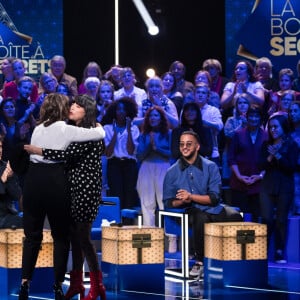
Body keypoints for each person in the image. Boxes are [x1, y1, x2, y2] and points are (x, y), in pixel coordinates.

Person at [18, 93, 105, 300]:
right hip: (64, 186)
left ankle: (95, 284)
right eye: (70, 105)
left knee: (76, 237)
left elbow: (65, 154)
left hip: (73, 189)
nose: (72, 108)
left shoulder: (43, 129)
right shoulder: (72, 130)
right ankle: (67, 285)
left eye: (76, 105)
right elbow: (71, 150)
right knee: (68, 237)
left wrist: (39, 150)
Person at [163, 131, 242, 279]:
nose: (184, 147)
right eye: (181, 144)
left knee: (235, 216)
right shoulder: (171, 172)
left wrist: (191, 196)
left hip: (212, 207)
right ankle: (199, 261)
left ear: (197, 146)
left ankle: (232, 261)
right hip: (186, 211)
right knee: (200, 217)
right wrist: (183, 201)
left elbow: (214, 198)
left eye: (188, 144)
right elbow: (168, 202)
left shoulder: (210, 167)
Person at [260, 114, 299, 263]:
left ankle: (279, 251)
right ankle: (262, 251)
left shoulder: (292, 145)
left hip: (285, 186)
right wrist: (270, 157)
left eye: (276, 127)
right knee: (267, 219)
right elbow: (260, 165)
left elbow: (291, 167)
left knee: (281, 220)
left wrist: (278, 156)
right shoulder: (266, 145)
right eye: (271, 127)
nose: (273, 130)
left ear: (284, 127)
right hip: (268, 186)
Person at [228, 105, 268, 221]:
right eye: (251, 115)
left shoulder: (266, 136)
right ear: (246, 117)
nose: (253, 119)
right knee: (239, 217)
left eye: (256, 116)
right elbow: (231, 158)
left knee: (257, 218)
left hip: (259, 184)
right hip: (239, 182)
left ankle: (256, 239)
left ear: (260, 118)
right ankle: (241, 240)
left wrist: (260, 176)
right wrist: (239, 176)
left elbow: (269, 161)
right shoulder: (238, 134)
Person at [102, 97, 140, 217]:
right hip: (114, 164)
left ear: (128, 111)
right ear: (114, 111)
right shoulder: (107, 128)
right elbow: (107, 153)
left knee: (129, 195)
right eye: (118, 109)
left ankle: (127, 227)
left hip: (129, 165)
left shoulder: (134, 128)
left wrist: (128, 130)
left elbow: (130, 150)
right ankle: (115, 225)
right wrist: (114, 133)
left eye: (124, 109)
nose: (121, 112)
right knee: (115, 194)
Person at [137, 106, 172, 226]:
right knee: (147, 204)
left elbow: (172, 154)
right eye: (151, 116)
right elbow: (140, 155)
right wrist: (149, 146)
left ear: (161, 118)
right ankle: (149, 239)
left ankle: (171, 240)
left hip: (164, 167)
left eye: (156, 115)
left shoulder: (169, 134)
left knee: (165, 203)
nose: (153, 118)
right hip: (146, 168)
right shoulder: (144, 135)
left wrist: (157, 148)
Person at [220, 60, 265, 124]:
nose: (237, 70)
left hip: (252, 118)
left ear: (248, 72)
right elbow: (222, 104)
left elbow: (261, 101)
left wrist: (247, 91)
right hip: (233, 118)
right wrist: (233, 93)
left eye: (241, 68)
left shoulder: (256, 84)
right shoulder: (230, 85)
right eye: (236, 69)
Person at [194, 82, 223, 166]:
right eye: (198, 92)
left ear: (208, 96)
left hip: (212, 152)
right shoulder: (188, 110)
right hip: (191, 152)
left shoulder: (213, 110)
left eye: (203, 93)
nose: (200, 95)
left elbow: (220, 126)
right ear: (194, 95)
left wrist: (205, 123)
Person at [0, 135, 23, 229]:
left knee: (32, 218)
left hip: (8, 214)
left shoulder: (6, 167)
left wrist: (10, 176)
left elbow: (17, 195)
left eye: (0, 146)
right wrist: (3, 179)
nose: (0, 150)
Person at [288, 101, 300, 215]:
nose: (292, 113)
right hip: (291, 172)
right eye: (290, 111)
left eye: (295, 111)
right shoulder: (287, 132)